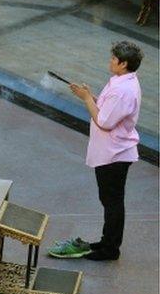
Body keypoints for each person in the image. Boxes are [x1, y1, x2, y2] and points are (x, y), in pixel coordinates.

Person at [50, 41, 142, 261]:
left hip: (114, 153)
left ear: (124, 63)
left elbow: (103, 121)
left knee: (112, 201)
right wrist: (90, 96)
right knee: (110, 200)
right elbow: (106, 109)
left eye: (113, 59)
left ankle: (110, 249)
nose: (110, 61)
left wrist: (85, 98)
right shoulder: (122, 81)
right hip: (112, 151)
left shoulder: (122, 89)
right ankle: (107, 241)